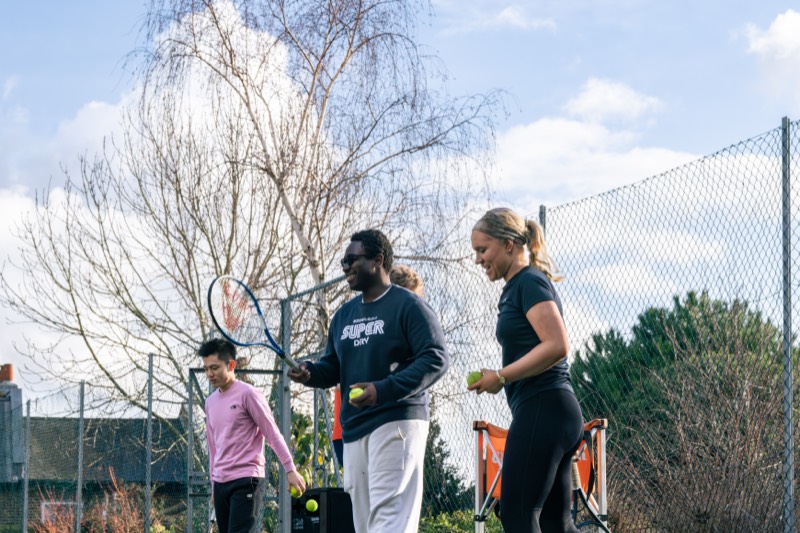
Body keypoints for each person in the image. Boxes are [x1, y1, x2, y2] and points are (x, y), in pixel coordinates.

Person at [289, 229, 449, 533]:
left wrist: (382, 389)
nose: (346, 266)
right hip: (354, 429)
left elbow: (436, 357)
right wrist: (311, 372)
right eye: (343, 261)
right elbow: (333, 366)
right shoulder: (343, 315)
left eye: (352, 259)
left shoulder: (408, 305)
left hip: (396, 419)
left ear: (377, 260)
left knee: (389, 519)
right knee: (364, 525)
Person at [467, 207, 583, 533]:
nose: (478, 259)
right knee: (555, 524)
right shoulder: (516, 288)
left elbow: (557, 344)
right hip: (551, 412)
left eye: (483, 249)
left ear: (508, 244)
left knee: (517, 515)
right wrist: (497, 376)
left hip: (544, 407)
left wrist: (502, 376)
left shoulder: (528, 282)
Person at [199, 338, 305, 533]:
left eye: (214, 368)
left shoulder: (249, 395)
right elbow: (213, 447)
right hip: (221, 483)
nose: (209, 374)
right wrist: (214, 484)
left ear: (231, 365)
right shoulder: (210, 402)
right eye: (206, 369)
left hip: (247, 479)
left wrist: (290, 469)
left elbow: (272, 433)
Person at [329, 262, 426, 469]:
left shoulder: (416, 328)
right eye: (405, 297)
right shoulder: (358, 322)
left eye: (413, 299)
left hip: (396, 421)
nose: (409, 306)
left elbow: (432, 361)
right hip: (350, 430)